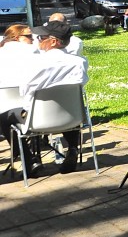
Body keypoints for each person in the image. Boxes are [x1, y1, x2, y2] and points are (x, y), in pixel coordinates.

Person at [0, 20, 88, 175]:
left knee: (4, 117)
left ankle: (29, 161)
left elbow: (25, 91)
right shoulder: (80, 62)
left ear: (53, 41)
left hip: (37, 120)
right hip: (73, 118)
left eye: (41, 38)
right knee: (65, 104)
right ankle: (72, 148)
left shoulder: (36, 63)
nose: (37, 40)